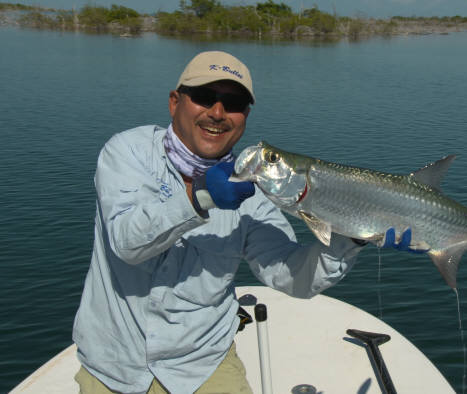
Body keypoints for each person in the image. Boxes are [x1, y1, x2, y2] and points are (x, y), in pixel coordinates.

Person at [72, 51, 422, 394]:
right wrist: (201, 198)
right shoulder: (128, 152)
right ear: (174, 102)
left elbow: (291, 276)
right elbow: (127, 242)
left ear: (246, 116)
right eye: (204, 97)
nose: (218, 113)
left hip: (202, 367)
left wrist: (351, 239)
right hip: (114, 368)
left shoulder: (254, 191)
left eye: (233, 103)